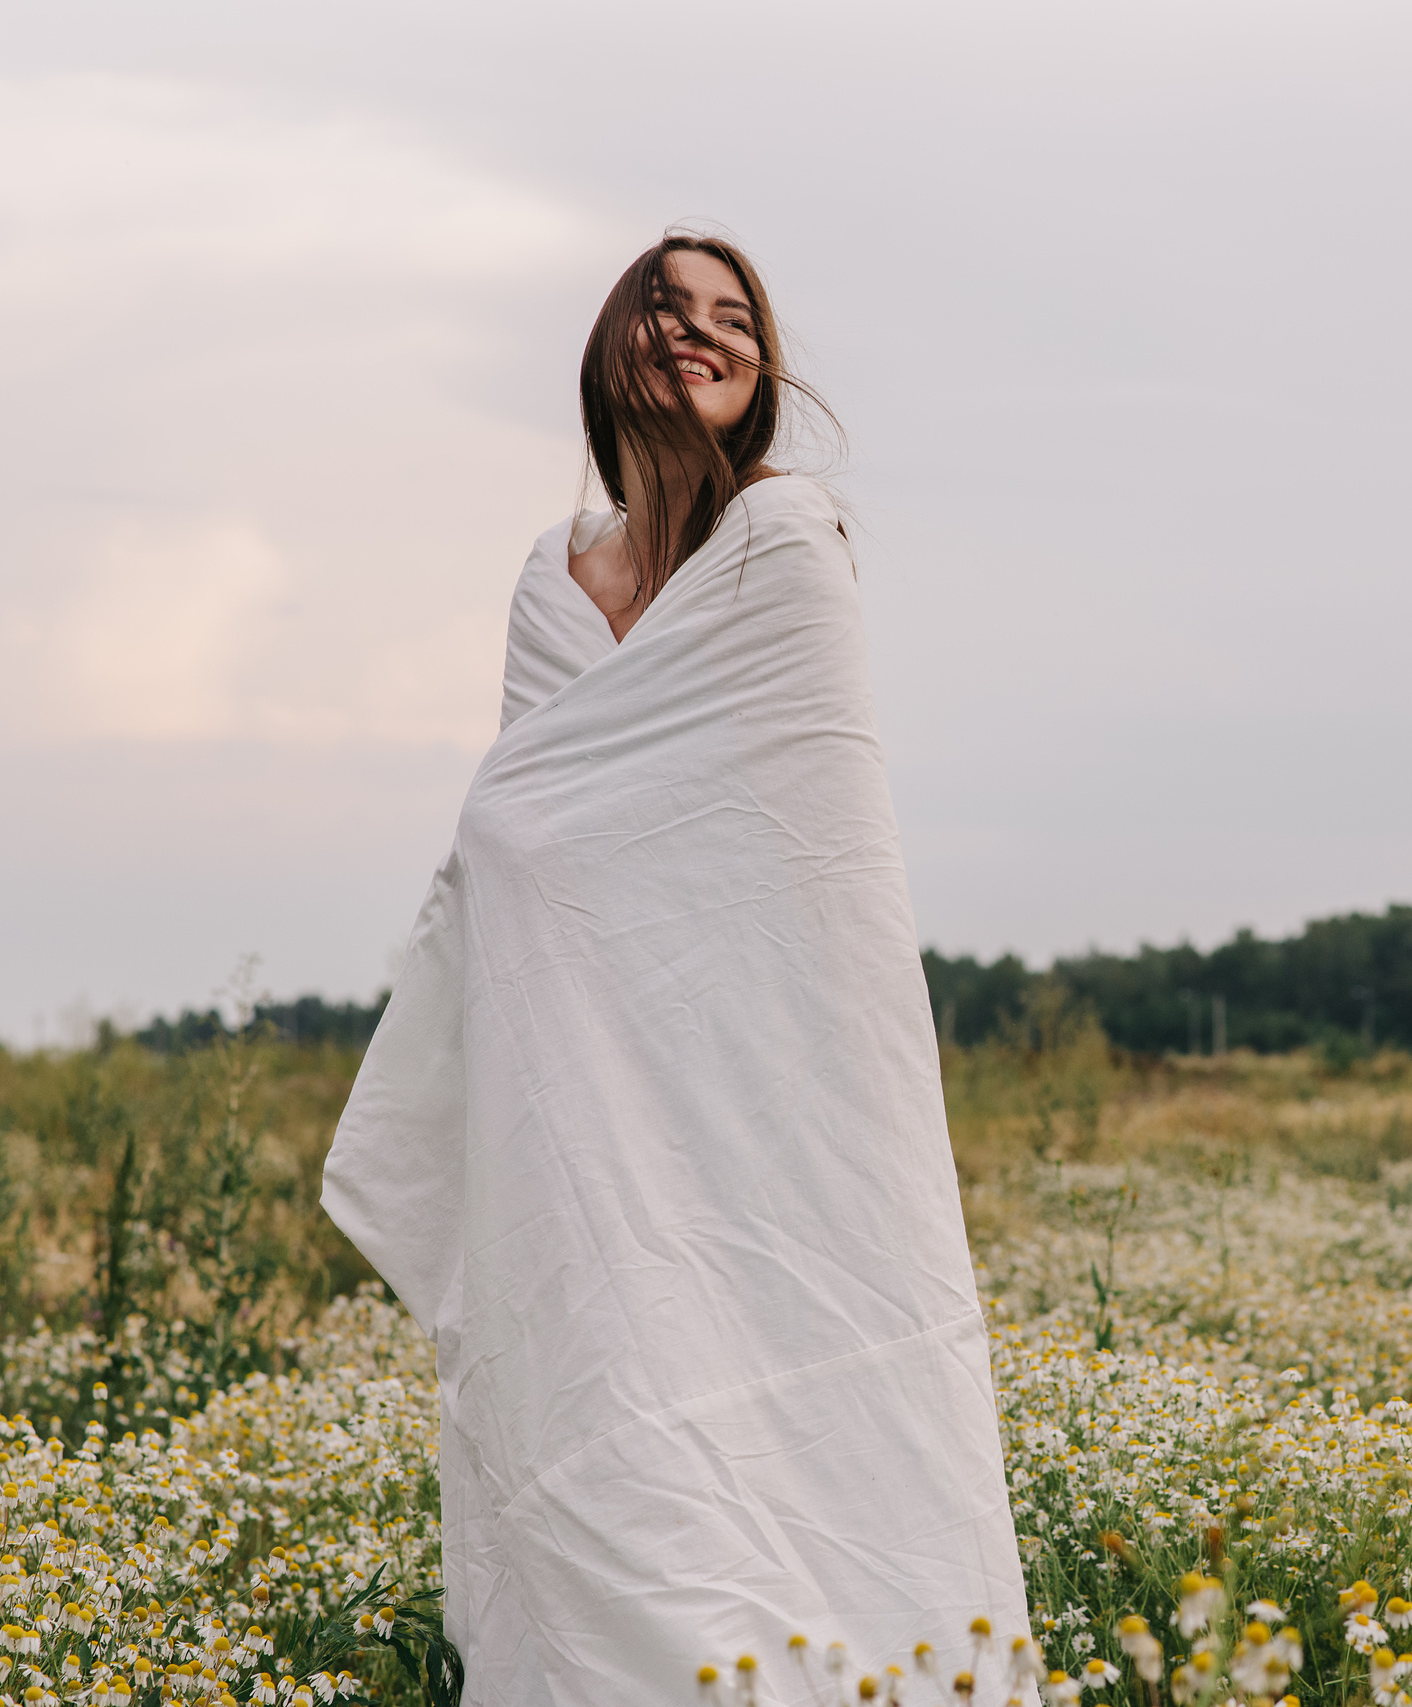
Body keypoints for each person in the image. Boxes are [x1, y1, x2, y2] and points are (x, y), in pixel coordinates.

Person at [323, 232, 1029, 1704]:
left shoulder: (786, 542)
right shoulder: (549, 575)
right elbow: (530, 830)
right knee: (603, 1378)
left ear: (760, 373)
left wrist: (531, 828)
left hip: (772, 1083)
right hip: (582, 1091)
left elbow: (807, 847)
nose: (703, 335)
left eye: (735, 320)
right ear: (612, 345)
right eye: (670, 308)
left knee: (805, 1390)